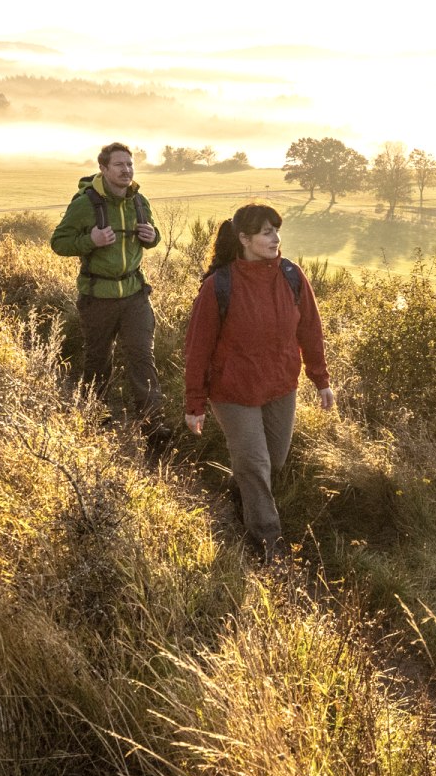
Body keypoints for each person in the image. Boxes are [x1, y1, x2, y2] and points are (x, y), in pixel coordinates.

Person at [182, 203, 334, 560]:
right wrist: (194, 403)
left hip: (280, 385)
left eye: (276, 231)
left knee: (274, 461)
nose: (275, 238)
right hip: (233, 391)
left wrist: (321, 379)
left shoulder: (291, 275)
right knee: (255, 463)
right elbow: (198, 348)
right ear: (244, 239)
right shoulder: (219, 285)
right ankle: (268, 542)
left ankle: (240, 499)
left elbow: (310, 330)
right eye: (266, 232)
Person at [50, 142, 165, 458]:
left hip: (134, 295)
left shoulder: (138, 201)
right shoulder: (86, 204)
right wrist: (91, 240)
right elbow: (58, 243)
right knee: (99, 359)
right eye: (119, 165)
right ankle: (93, 415)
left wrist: (151, 236)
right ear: (103, 169)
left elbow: (153, 236)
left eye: (130, 164)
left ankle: (154, 429)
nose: (126, 170)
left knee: (142, 355)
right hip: (98, 297)